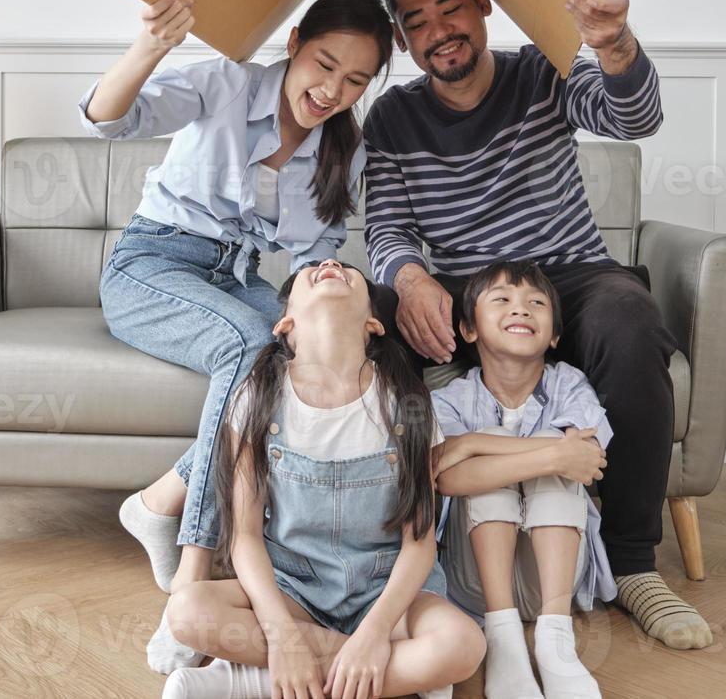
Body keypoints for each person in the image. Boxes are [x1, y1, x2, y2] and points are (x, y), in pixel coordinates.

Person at [364, 0, 713, 650]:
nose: (439, 29)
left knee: (627, 314)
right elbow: (388, 226)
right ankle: (361, 548)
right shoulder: (391, 117)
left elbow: (632, 118)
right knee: (343, 314)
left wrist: (612, 43)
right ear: (405, 41)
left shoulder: (541, 71)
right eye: (417, 22)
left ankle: (634, 566)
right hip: (460, 289)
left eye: (450, 6)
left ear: (482, 3)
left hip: (566, 274)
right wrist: (409, 279)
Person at [78, 0, 394, 673]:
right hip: (152, 263)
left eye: (355, 80)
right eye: (324, 63)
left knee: (290, 354)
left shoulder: (345, 151)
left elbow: (316, 259)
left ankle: (161, 498)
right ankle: (193, 575)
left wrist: (328, 326)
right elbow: (109, 118)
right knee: (250, 346)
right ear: (295, 43)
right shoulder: (224, 83)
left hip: (237, 276)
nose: (332, 89)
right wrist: (152, 46)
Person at [161, 260, 484, 699]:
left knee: (464, 645)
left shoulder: (407, 402)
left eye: (346, 268)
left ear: (373, 323)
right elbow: (246, 538)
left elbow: (419, 543)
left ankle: (253, 682)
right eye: (310, 269)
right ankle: (373, 678)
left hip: (386, 589)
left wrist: (375, 632)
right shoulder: (256, 397)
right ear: (285, 324)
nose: (329, 264)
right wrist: (283, 637)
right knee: (187, 612)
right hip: (293, 586)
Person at [433, 261, 613, 699]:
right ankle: (505, 640)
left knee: (529, 458)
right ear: (469, 329)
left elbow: (586, 459)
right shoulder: (449, 399)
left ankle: (556, 643)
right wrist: (553, 453)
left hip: (554, 583)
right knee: (516, 458)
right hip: (474, 583)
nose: (522, 309)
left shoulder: (570, 385)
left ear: (553, 336)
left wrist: (473, 447)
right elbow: (448, 480)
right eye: (502, 300)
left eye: (536, 303)